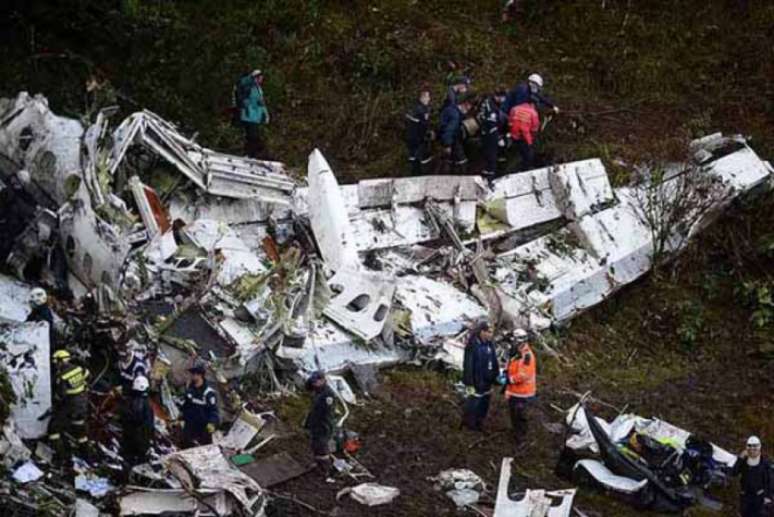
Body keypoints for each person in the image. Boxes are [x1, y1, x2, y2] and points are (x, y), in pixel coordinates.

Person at [48, 349, 90, 463]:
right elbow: (87, 375)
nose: (56, 365)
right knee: (80, 429)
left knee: (53, 428)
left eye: (56, 362)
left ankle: (63, 457)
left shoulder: (62, 376)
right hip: (83, 403)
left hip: (71, 405)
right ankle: (86, 455)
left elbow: (61, 395)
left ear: (61, 360)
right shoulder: (78, 368)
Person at [461, 322, 499, 431]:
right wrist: (469, 382)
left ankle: (480, 423)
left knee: (484, 404)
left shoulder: (489, 344)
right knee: (473, 404)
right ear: (482, 332)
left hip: (487, 381)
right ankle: (469, 426)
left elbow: (493, 360)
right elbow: (468, 365)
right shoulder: (473, 345)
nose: (491, 334)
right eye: (489, 332)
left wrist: (495, 375)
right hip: (477, 381)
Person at [504, 329, 537, 444]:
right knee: (514, 415)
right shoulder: (515, 353)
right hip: (514, 391)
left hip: (523, 393)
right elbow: (510, 368)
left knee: (520, 416)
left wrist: (509, 380)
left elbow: (523, 375)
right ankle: (515, 434)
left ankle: (521, 439)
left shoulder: (527, 356)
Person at [303, 371, 337, 475]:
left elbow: (325, 413)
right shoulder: (318, 390)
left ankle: (325, 469)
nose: (314, 384)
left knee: (321, 446)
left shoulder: (328, 395)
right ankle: (318, 464)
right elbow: (307, 387)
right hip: (315, 423)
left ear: (322, 380)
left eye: (316, 381)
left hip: (323, 425)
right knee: (315, 445)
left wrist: (319, 425)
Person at [180, 361, 219, 448]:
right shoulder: (190, 390)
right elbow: (186, 406)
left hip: (202, 430)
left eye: (194, 373)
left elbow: (214, 411)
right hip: (189, 428)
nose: (192, 376)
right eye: (192, 373)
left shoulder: (208, 393)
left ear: (200, 375)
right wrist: (180, 417)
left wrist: (212, 423)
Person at [731, 436, 772, 517]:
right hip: (745, 497)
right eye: (750, 446)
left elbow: (769, 481)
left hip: (758, 498)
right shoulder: (743, 461)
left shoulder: (764, 463)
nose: (752, 449)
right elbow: (733, 473)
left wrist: (768, 496)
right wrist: (740, 459)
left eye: (755, 447)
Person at [120, 375, 154, 471]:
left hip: (128, 438)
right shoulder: (147, 405)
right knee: (141, 466)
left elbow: (123, 418)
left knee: (127, 461)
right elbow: (149, 425)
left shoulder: (128, 402)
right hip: (141, 440)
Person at [234, 69, 270, 159]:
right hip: (249, 115)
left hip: (254, 116)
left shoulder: (258, 88)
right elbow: (249, 101)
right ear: (256, 78)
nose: (262, 80)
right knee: (252, 136)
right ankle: (249, 154)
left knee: (253, 135)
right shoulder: (250, 88)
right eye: (260, 78)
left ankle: (251, 154)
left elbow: (261, 102)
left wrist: (265, 114)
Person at [438, 93, 473, 174]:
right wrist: (447, 145)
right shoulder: (455, 116)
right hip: (452, 140)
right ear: (465, 105)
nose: (468, 110)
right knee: (461, 161)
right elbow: (449, 130)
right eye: (468, 107)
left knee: (450, 161)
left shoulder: (452, 109)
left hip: (449, 139)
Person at [478, 90, 508, 178]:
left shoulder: (489, 102)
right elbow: (491, 124)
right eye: (503, 97)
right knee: (491, 158)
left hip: (487, 131)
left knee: (491, 157)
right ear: (497, 96)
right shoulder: (490, 107)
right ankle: (489, 177)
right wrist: (499, 138)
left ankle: (492, 173)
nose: (504, 100)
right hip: (489, 134)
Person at [405, 87, 433, 175]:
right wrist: (427, 134)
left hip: (411, 138)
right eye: (427, 97)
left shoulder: (414, 108)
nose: (429, 99)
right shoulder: (421, 110)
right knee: (422, 160)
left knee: (413, 158)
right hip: (418, 139)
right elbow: (422, 125)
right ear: (422, 97)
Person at [509, 99, 540, 170]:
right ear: (533, 104)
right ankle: (527, 167)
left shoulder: (514, 108)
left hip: (514, 135)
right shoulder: (533, 112)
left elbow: (510, 122)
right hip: (525, 135)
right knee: (528, 151)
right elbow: (535, 128)